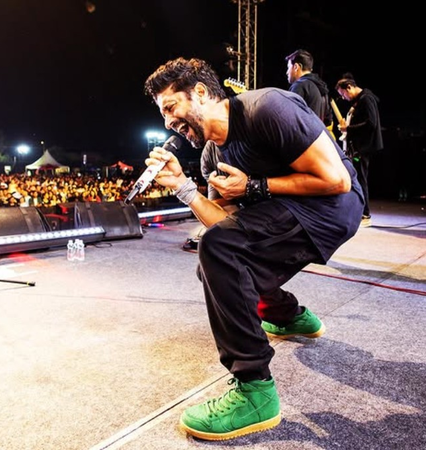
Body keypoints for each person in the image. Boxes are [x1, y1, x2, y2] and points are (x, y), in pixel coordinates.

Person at [143, 57, 364, 441]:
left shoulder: (267, 109)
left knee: (222, 251)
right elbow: (222, 225)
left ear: (199, 93)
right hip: (288, 210)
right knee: (215, 260)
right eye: (162, 114)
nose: (168, 123)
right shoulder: (212, 155)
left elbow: (336, 180)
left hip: (334, 207)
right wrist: (182, 187)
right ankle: (285, 314)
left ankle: (254, 390)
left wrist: (253, 187)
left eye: (171, 107)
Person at [335, 73, 383, 227]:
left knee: (361, 179)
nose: (343, 98)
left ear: (349, 87)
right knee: (358, 178)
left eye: (343, 94)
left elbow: (371, 123)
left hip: (364, 147)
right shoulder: (360, 100)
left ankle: (365, 214)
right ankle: (359, 212)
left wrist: (348, 129)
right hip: (359, 147)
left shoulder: (366, 99)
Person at [285, 49, 334, 137]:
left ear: (296, 67)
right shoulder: (322, 89)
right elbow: (328, 120)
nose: (287, 72)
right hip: (317, 140)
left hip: (301, 141)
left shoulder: (299, 86)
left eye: (288, 67)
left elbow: (290, 119)